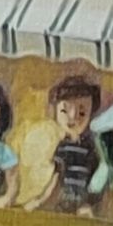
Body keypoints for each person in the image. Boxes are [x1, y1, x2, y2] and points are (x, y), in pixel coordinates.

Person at [34, 77, 103, 215]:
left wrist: (89, 204)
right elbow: (56, 176)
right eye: (65, 111)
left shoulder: (92, 148)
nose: (73, 117)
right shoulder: (62, 147)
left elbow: (97, 180)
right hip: (63, 203)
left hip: (86, 206)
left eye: (82, 113)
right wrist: (41, 200)